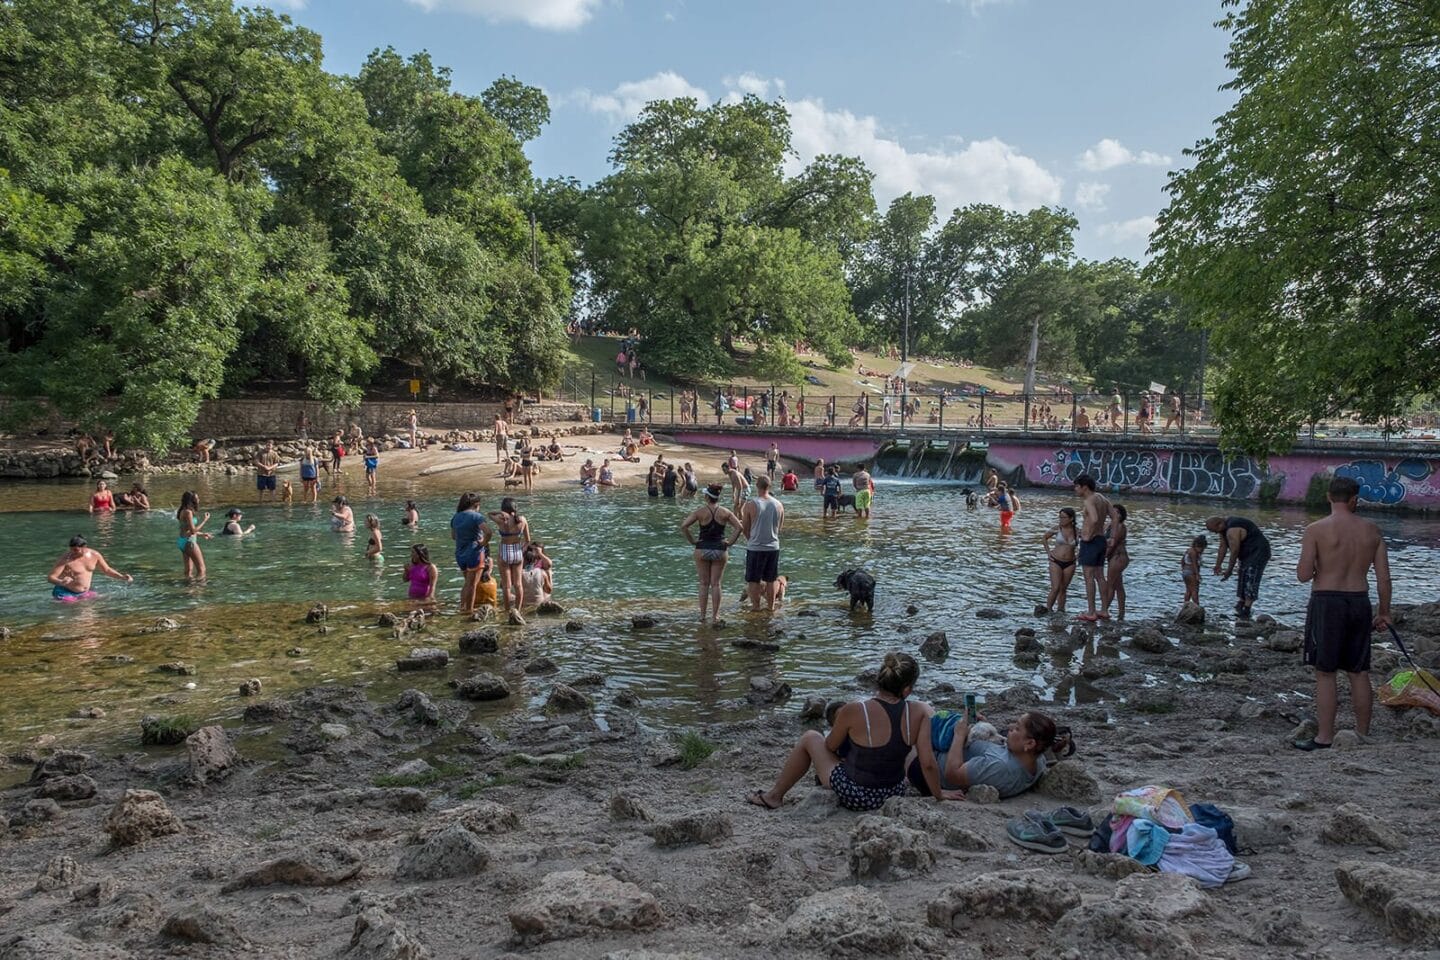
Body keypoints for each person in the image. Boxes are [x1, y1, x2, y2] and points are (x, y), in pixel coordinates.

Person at [748, 653, 942, 811]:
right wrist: (939, 795)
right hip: (893, 792)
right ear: (907, 690)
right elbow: (928, 764)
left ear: (879, 679)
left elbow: (830, 745)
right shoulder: (918, 711)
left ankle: (774, 796)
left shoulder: (856, 710)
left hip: (855, 794)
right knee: (908, 748)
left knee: (811, 737)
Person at [1293, 476, 1392, 751]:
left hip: (1327, 601)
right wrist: (1385, 612)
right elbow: (1384, 578)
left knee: (1325, 672)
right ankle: (1361, 734)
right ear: (1353, 499)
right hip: (1359, 601)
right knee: (1358, 671)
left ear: (1328, 497)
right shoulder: (1372, 531)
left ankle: (1325, 736)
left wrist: (1316, 569)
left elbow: (1302, 575)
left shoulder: (1315, 530)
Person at [906, 711, 1066, 800]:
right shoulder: (1036, 759)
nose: (1010, 727)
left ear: (1029, 744)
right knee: (924, 711)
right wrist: (985, 729)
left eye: (1017, 728)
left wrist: (959, 735)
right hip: (950, 749)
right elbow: (993, 751)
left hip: (927, 769)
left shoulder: (999, 767)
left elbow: (952, 774)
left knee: (910, 720)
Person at [680, 483, 745, 623]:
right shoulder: (725, 512)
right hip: (720, 549)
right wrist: (730, 542)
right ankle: (715, 616)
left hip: (702, 548)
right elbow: (739, 527)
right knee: (716, 584)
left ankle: (702, 616)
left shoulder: (700, 512)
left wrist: (692, 541)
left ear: (707, 497)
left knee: (704, 583)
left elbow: (684, 526)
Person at [1206, 513, 1272, 619]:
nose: (1215, 533)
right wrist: (1218, 565)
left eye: (1215, 531)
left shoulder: (1233, 528)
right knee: (1242, 573)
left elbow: (1234, 551)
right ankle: (1241, 602)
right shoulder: (1223, 529)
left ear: (1219, 524)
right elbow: (1223, 546)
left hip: (1258, 552)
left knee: (1251, 576)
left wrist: (1229, 570)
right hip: (1246, 553)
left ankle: (1247, 609)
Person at [1074, 475, 1117, 622]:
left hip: (1091, 542)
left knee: (1089, 577)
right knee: (1100, 576)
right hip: (1101, 540)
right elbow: (1115, 517)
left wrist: (1087, 536)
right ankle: (1104, 610)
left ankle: (1091, 612)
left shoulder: (1089, 500)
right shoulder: (1102, 498)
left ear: (1084, 487)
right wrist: (1112, 537)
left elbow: (1094, 519)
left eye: (1077, 486)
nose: (1075, 489)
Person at [740, 475, 785, 612]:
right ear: (769, 486)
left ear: (756, 486)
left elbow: (745, 528)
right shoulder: (779, 505)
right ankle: (771, 608)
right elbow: (779, 528)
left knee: (753, 580)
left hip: (755, 546)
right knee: (771, 579)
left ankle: (756, 607)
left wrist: (751, 540)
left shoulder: (750, 505)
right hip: (773, 546)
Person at [48, 534, 132, 601]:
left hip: (83, 592)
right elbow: (51, 577)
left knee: (100, 600)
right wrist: (61, 581)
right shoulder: (65, 559)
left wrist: (122, 577)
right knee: (75, 610)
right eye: (71, 550)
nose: (73, 552)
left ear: (84, 547)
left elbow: (107, 570)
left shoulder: (95, 555)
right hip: (65, 592)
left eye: (76, 550)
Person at [450, 493, 491, 614]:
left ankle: (462, 608)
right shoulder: (476, 517)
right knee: (472, 585)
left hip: (460, 553)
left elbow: (453, 536)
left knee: (467, 583)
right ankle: (469, 611)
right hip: (474, 552)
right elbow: (488, 532)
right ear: (476, 504)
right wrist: (483, 543)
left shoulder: (455, 517)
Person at [489, 497, 531, 614]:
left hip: (504, 551)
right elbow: (528, 540)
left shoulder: (502, 520)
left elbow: (489, 514)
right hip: (517, 551)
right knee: (518, 584)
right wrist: (521, 550)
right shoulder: (522, 520)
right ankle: (518, 610)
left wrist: (500, 513)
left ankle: (507, 611)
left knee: (507, 586)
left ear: (504, 509)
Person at [1043, 507, 1079, 613]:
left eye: (1063, 517)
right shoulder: (1057, 528)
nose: (1061, 520)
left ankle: (1061, 610)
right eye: (1060, 517)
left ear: (1071, 518)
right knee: (1056, 587)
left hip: (1070, 562)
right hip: (1055, 560)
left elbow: (1087, 542)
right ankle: (1048, 609)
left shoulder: (1077, 531)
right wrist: (1048, 553)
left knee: (1063, 589)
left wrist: (1079, 554)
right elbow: (1044, 538)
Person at [1102, 504, 1130, 620]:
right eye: (1113, 512)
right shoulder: (1110, 525)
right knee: (1118, 586)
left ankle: (1104, 610)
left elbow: (1112, 545)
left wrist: (1103, 557)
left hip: (1118, 557)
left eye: (1117, 512)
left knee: (1110, 585)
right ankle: (1121, 612)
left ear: (1122, 515)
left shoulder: (1120, 526)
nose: (1115, 514)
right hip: (1113, 557)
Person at [176, 491, 212, 581]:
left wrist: (203, 534)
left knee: (188, 571)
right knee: (202, 569)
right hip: (189, 542)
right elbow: (192, 531)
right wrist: (205, 520)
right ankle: (198, 589)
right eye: (197, 498)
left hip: (182, 541)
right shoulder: (188, 512)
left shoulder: (182, 510)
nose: (198, 499)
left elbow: (186, 530)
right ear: (191, 500)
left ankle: (189, 588)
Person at [1182, 535, 1206, 606]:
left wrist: (1183, 569)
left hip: (1186, 572)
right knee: (1195, 590)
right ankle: (1196, 605)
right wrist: (1197, 575)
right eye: (1202, 548)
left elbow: (1182, 561)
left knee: (1188, 590)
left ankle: (1185, 605)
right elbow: (1194, 564)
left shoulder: (1188, 550)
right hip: (1191, 572)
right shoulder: (1194, 553)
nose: (1202, 550)